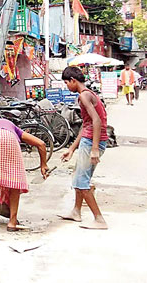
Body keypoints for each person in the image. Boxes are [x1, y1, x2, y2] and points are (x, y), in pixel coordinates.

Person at [0, 119, 49, 231]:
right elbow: (41, 144)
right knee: (14, 182)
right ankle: (12, 222)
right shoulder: (13, 128)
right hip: (10, 140)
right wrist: (43, 165)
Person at [59, 66, 109, 230]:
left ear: (73, 81)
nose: (67, 86)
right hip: (89, 139)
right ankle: (76, 211)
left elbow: (96, 121)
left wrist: (94, 148)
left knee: (82, 182)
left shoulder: (83, 96)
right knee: (79, 177)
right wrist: (72, 148)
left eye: (67, 83)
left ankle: (99, 219)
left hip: (93, 141)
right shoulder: (89, 94)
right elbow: (87, 125)